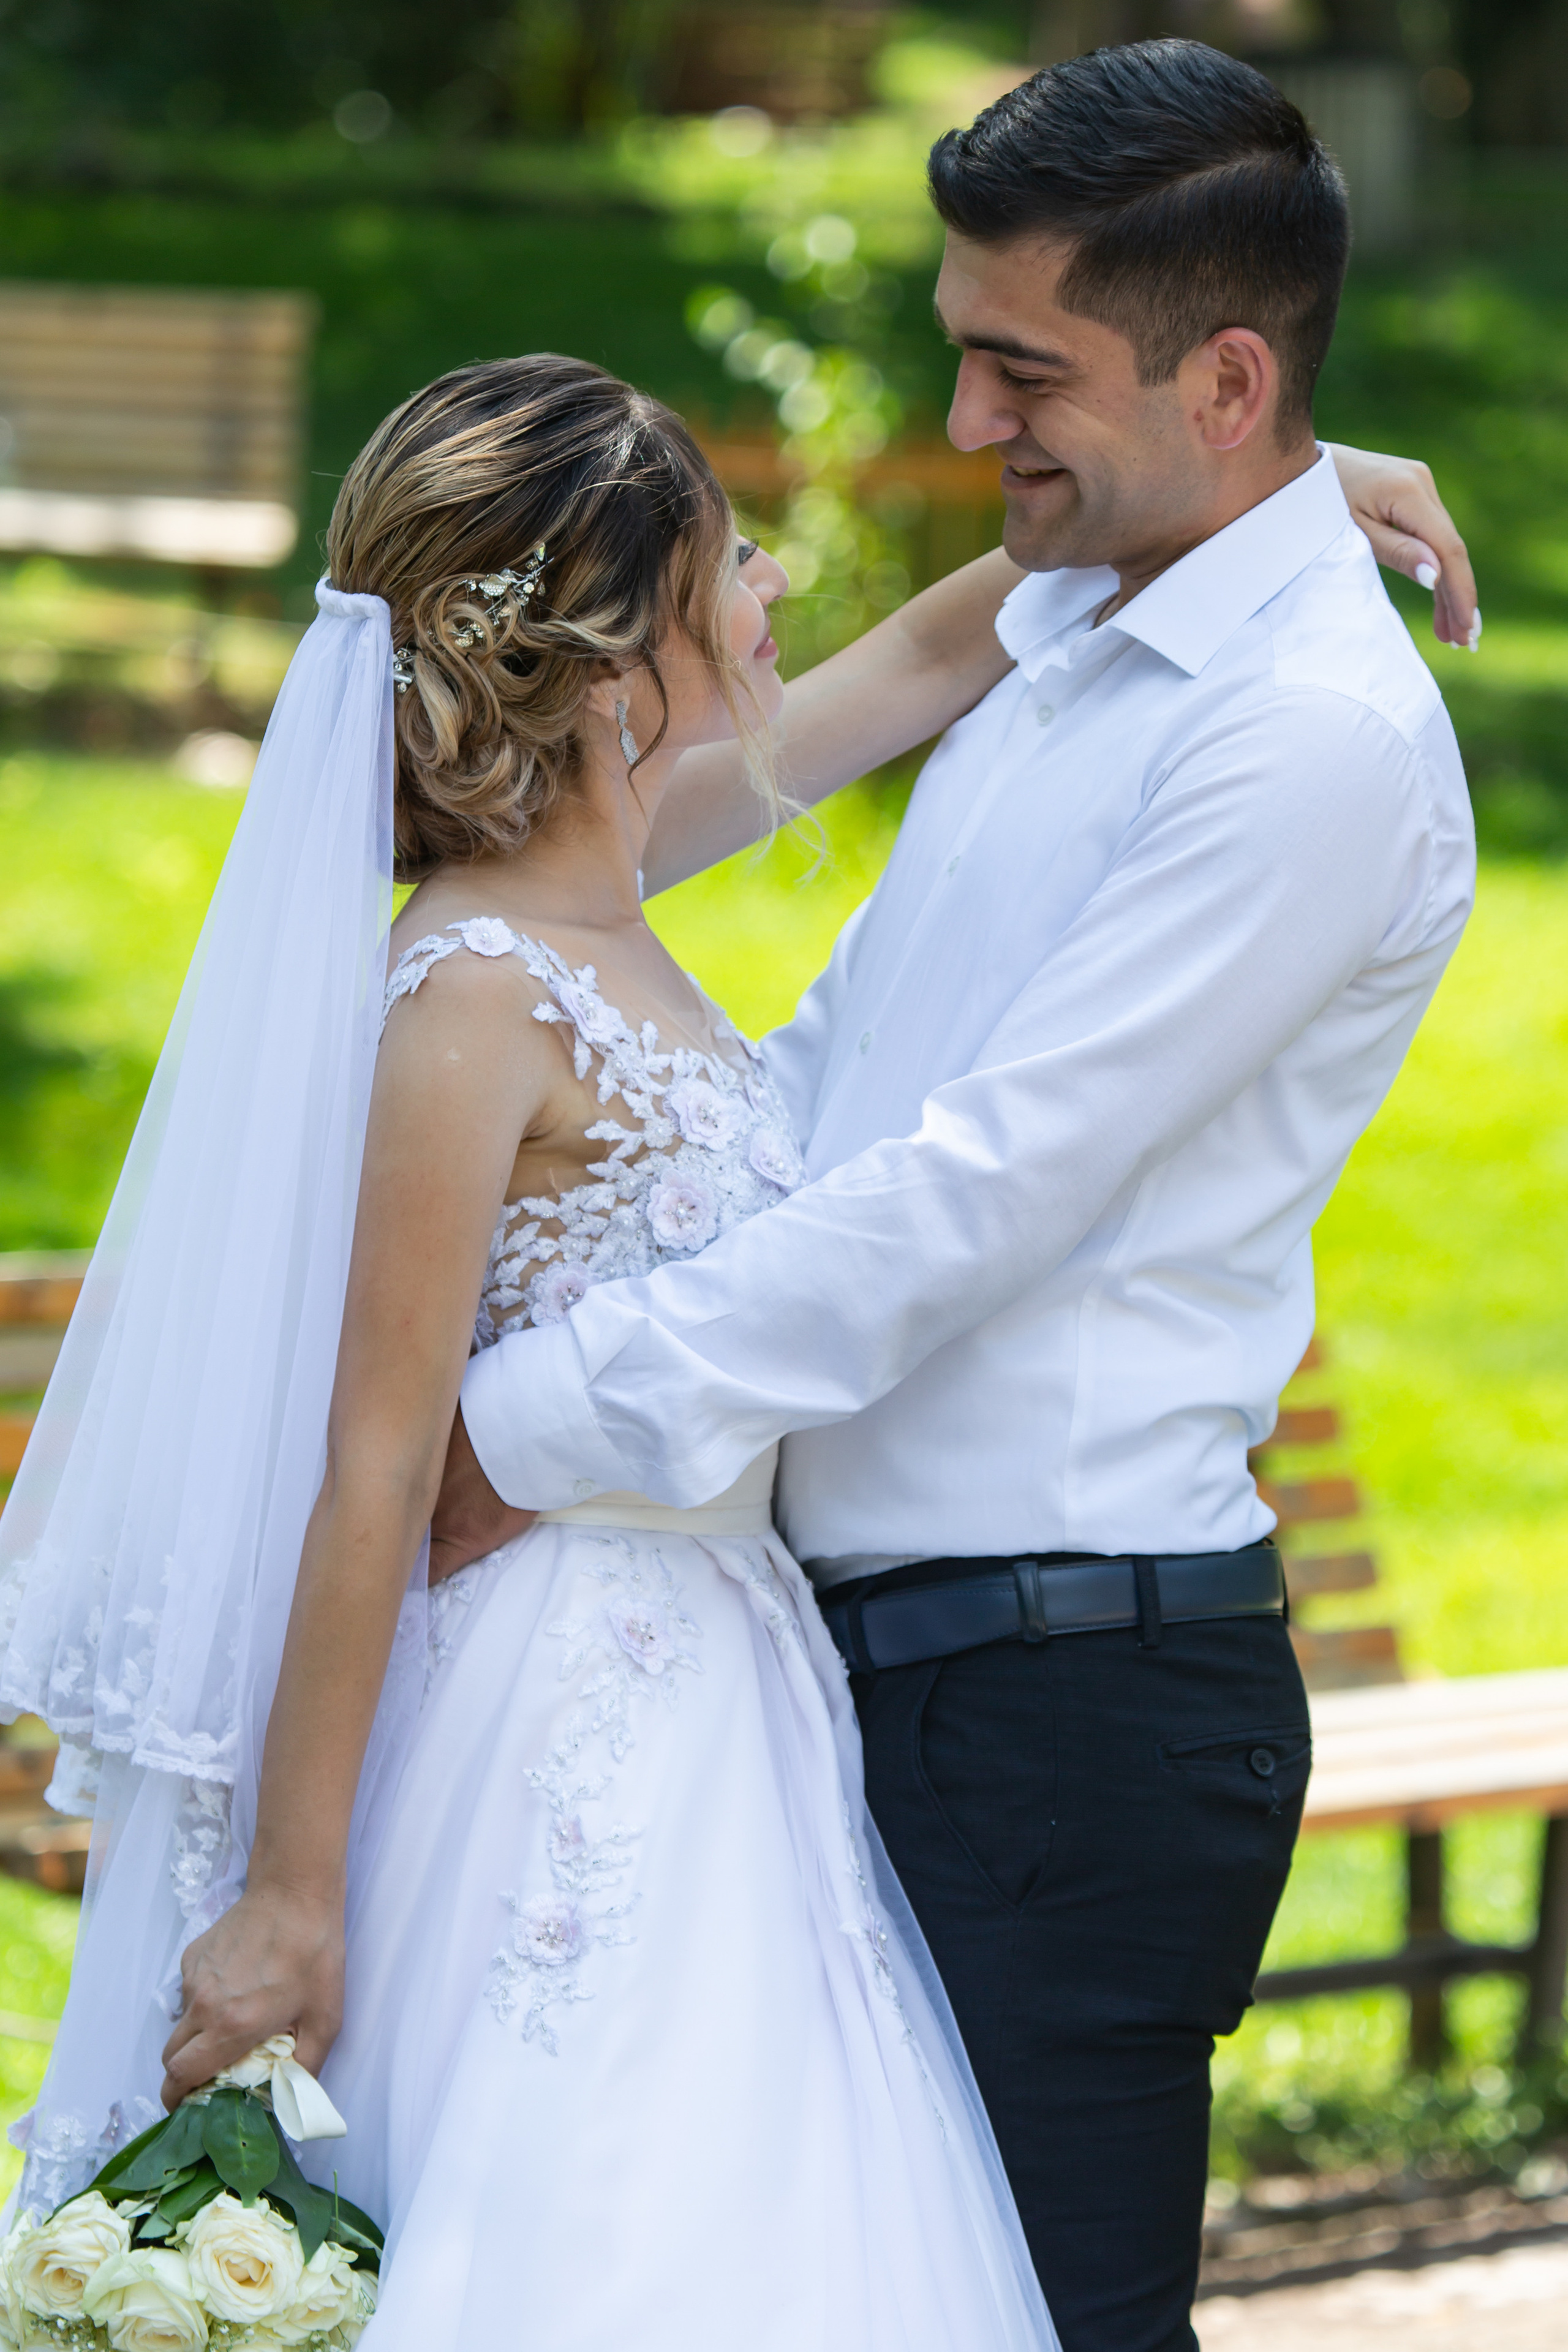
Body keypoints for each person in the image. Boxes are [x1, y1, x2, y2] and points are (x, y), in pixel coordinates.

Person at [0, 53, 1463, 2352]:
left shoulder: (1291, 742)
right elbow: (814, 1042)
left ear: (1229, 377)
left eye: (1023, 371)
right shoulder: (546, 942)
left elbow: (967, 1170)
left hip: (946, 1688)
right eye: (972, 355)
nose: (961, 427)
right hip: (731, 1689)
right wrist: (1245, 494)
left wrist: (1276, 498)